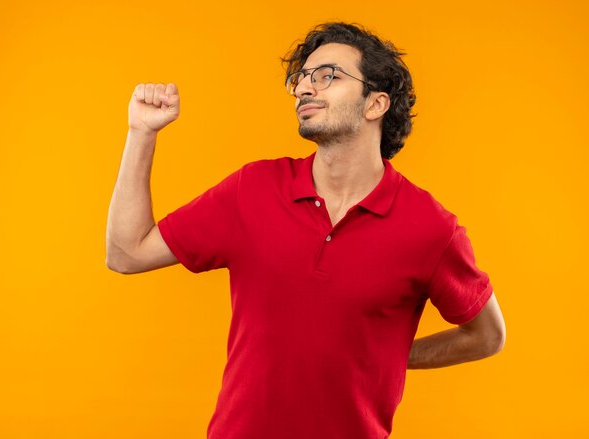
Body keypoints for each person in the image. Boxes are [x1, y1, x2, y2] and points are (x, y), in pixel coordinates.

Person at [106, 22, 506, 439]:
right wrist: (141, 133)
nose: (303, 89)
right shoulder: (253, 189)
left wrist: (393, 355)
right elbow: (126, 253)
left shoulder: (430, 229)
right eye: (301, 79)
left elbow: (488, 336)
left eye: (327, 76)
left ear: (376, 104)